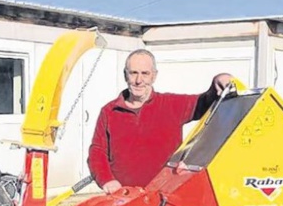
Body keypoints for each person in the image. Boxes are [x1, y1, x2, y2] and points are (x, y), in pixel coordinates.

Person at [87, 49, 235, 194]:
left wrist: (219, 80)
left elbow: (204, 102)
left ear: (154, 76)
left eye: (145, 73)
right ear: (125, 75)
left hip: (165, 198)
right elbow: (97, 151)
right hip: (124, 198)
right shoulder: (109, 111)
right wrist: (107, 180)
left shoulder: (171, 105)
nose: (139, 80)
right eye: (133, 73)